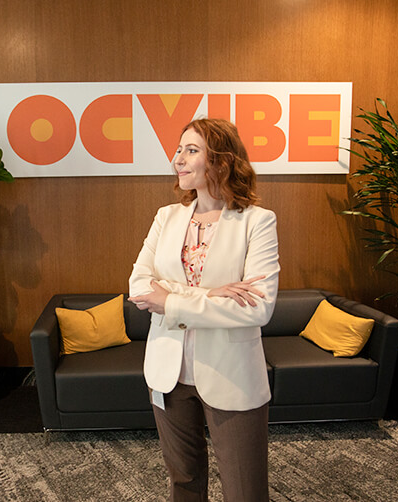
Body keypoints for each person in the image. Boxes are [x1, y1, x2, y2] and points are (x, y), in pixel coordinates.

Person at [128, 118, 279, 501]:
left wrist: (171, 299)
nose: (178, 159)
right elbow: (139, 287)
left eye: (191, 150)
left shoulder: (257, 222)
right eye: (179, 150)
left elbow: (257, 308)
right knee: (184, 481)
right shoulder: (167, 217)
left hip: (231, 373)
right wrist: (213, 296)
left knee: (245, 489)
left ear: (222, 162)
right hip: (168, 373)